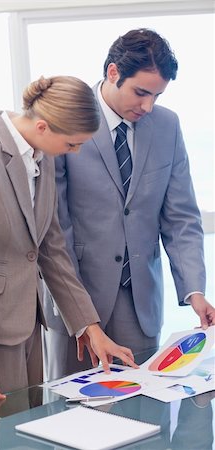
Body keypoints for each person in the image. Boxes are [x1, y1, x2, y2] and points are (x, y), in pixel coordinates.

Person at [0, 75, 137, 416]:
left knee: (29, 421)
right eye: (73, 144)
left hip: (25, 320)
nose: (76, 152)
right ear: (43, 126)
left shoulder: (42, 156)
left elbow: (51, 248)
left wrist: (90, 326)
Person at [42, 28, 215, 380]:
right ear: (113, 73)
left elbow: (181, 217)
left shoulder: (167, 125)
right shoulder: (68, 119)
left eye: (157, 95)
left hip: (140, 306)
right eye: (141, 92)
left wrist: (194, 290)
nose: (148, 106)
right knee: (72, 415)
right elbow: (56, 226)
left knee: (142, 412)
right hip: (76, 300)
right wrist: (81, 314)